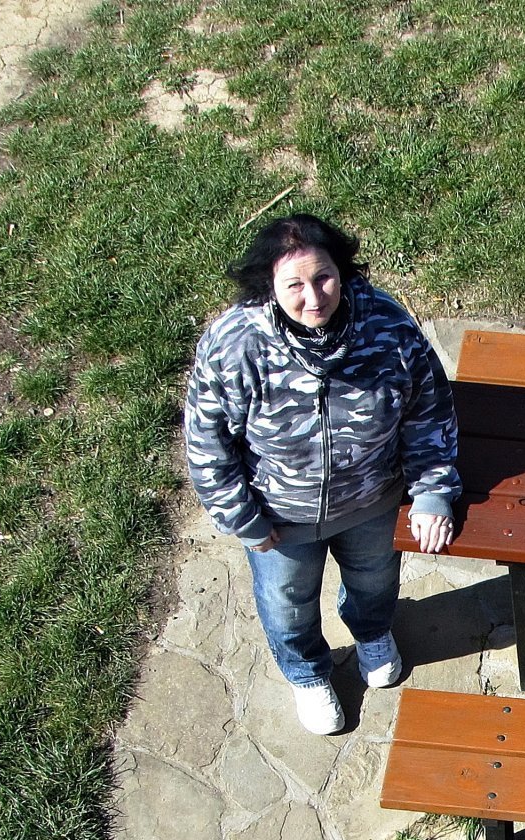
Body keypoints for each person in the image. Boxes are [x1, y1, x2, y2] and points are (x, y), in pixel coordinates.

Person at [184, 214, 459, 735]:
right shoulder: (233, 345)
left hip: (374, 501)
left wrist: (432, 493)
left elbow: (430, 411)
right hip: (279, 518)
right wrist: (241, 518)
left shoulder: (389, 325)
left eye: (323, 277)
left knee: (376, 583)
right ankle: (307, 673)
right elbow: (206, 442)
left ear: (344, 270)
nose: (313, 297)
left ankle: (372, 633)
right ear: (268, 285)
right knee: (287, 604)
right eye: (294, 285)